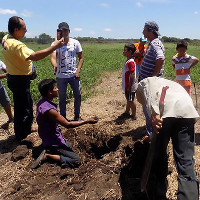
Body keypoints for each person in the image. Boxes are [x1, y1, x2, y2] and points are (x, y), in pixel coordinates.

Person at [1, 16, 64, 141]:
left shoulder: (6, 38)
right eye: (24, 28)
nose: (26, 30)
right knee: (23, 109)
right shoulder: (17, 45)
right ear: (15, 29)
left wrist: (30, 67)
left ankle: (26, 128)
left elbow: (24, 58)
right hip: (20, 80)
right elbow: (34, 56)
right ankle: (21, 136)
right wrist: (54, 47)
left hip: (13, 77)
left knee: (26, 104)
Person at [136, 77, 199, 200]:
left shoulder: (144, 83)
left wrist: (154, 112)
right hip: (186, 113)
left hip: (164, 112)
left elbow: (150, 91)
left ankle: (157, 193)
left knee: (158, 157)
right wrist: (151, 136)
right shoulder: (172, 85)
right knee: (186, 163)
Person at [31, 79, 97, 169]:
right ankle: (48, 155)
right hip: (52, 139)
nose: (57, 89)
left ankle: (49, 149)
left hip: (47, 135)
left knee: (69, 145)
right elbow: (67, 125)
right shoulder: (49, 110)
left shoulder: (41, 103)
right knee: (76, 161)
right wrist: (86, 121)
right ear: (50, 92)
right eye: (55, 88)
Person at [50, 22, 84, 121]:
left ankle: (77, 116)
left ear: (69, 31)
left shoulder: (75, 43)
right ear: (59, 31)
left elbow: (81, 58)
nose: (64, 32)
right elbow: (52, 57)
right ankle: (63, 117)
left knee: (77, 95)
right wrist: (54, 65)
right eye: (62, 30)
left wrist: (78, 70)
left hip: (74, 74)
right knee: (62, 97)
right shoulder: (55, 43)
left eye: (66, 30)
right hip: (61, 76)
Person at [139, 21, 165, 136]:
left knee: (150, 109)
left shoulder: (155, 43)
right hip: (148, 81)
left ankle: (151, 134)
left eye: (144, 29)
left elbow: (160, 58)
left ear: (151, 31)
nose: (142, 31)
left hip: (151, 83)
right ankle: (151, 131)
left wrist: (154, 76)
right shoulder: (152, 43)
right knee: (149, 108)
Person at [120, 43, 137, 120]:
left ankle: (134, 115)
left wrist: (130, 86)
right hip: (127, 85)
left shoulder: (130, 62)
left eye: (125, 50)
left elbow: (133, 74)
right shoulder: (129, 60)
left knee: (131, 100)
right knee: (128, 99)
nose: (123, 52)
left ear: (130, 52)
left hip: (129, 85)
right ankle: (127, 112)